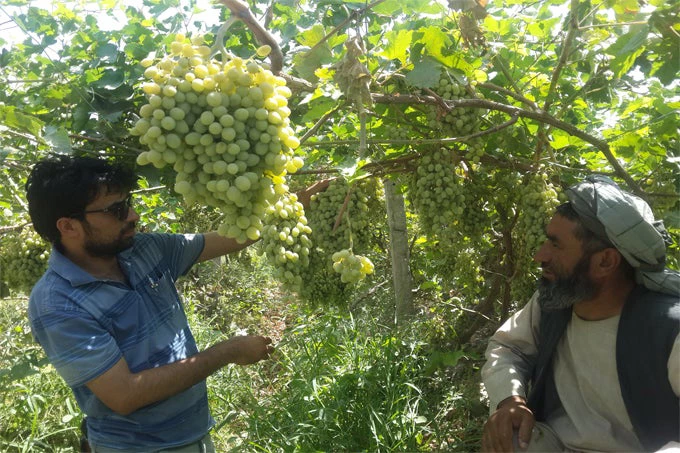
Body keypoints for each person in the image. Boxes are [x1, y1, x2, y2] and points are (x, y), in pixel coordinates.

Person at [25, 155, 325, 452]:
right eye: (116, 210)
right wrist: (228, 351)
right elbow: (124, 395)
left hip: (193, 436)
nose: (132, 216)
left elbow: (230, 238)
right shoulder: (57, 303)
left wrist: (295, 204)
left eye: (128, 202)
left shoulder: (143, 249)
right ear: (68, 227)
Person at [481, 175, 680, 453]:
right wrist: (510, 400)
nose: (540, 255)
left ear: (605, 261)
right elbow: (507, 346)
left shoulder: (669, 327)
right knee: (511, 442)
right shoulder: (554, 301)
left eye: (556, 245)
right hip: (556, 444)